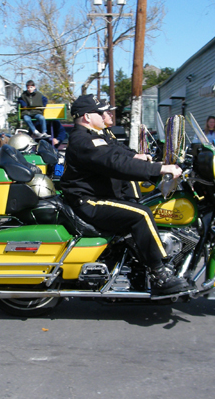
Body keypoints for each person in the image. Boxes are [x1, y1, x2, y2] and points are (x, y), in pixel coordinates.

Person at [59, 95, 190, 296]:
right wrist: (159, 169)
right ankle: (159, 275)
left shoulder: (96, 135)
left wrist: (144, 161)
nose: (105, 115)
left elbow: (119, 154)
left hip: (97, 195)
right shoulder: (84, 140)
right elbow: (114, 162)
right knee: (142, 214)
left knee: (146, 206)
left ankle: (138, 269)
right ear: (87, 116)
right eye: (100, 112)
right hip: (88, 201)